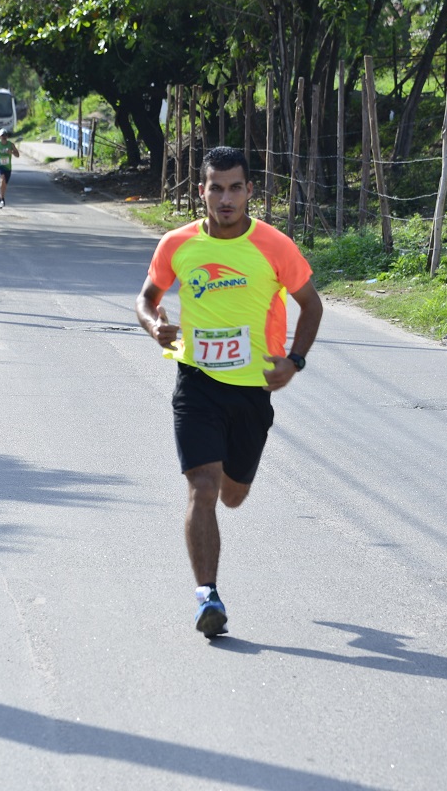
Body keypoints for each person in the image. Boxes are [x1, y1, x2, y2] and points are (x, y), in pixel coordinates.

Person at [134, 146, 323, 638]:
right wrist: (155, 325)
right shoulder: (178, 244)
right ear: (201, 191)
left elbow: (311, 304)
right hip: (195, 383)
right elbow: (147, 297)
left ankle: (210, 577)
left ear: (250, 192)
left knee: (233, 495)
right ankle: (207, 597)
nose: (225, 198)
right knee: (202, 486)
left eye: (235, 187)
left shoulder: (274, 246)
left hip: (252, 392)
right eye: (215, 187)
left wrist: (294, 361)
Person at [0, 128, 20, 208]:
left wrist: (12, 152)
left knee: (4, 184)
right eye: (2, 135)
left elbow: (17, 155)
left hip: (8, 168)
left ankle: (0, 197)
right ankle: (2, 199)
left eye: (5, 135)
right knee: (2, 180)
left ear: (7, 136)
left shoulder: (11, 145)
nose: (4, 137)